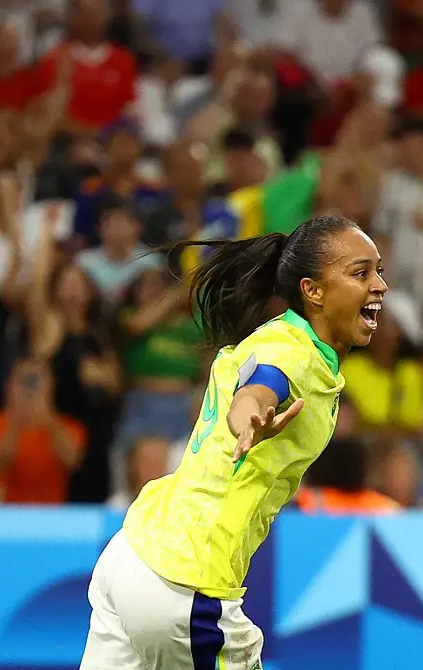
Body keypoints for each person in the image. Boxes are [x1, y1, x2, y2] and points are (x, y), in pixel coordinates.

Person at [80, 215, 388, 669]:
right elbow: (260, 386)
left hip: (133, 556)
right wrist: (248, 415)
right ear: (313, 291)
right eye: (360, 273)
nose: (379, 285)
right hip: (184, 585)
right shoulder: (292, 353)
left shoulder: (287, 338)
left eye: (379, 270)